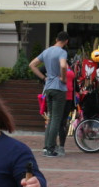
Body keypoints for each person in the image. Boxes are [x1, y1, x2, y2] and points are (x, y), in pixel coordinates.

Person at [29, 30, 69, 158]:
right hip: (58, 88)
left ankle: (46, 147)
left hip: (48, 87)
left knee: (51, 118)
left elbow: (32, 65)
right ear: (66, 41)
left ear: (56, 38)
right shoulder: (62, 52)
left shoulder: (46, 51)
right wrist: (63, 78)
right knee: (56, 119)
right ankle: (50, 147)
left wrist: (43, 78)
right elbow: (63, 66)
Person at [57, 62, 76, 156]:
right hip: (59, 97)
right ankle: (58, 146)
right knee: (59, 122)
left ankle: (61, 146)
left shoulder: (67, 65)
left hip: (68, 98)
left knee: (62, 122)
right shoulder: (55, 65)